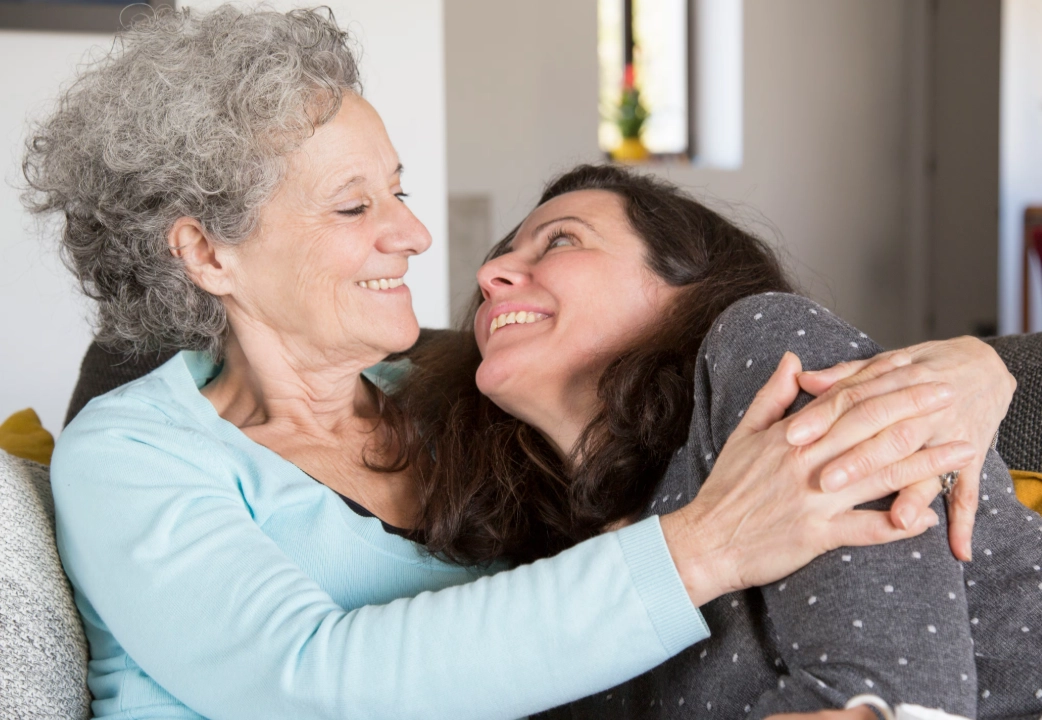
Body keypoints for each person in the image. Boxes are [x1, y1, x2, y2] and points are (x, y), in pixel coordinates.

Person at [23, 7, 1012, 720]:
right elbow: (308, 681)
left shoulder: (462, 401)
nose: (416, 237)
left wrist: (976, 370)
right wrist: (706, 546)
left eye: (400, 192)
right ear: (206, 253)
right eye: (354, 206)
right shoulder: (132, 451)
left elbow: (692, 408)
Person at [384, 164, 1040, 718]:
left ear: (685, 288)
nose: (494, 271)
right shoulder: (557, 569)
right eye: (499, 257)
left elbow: (892, 701)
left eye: (560, 240)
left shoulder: (765, 346)